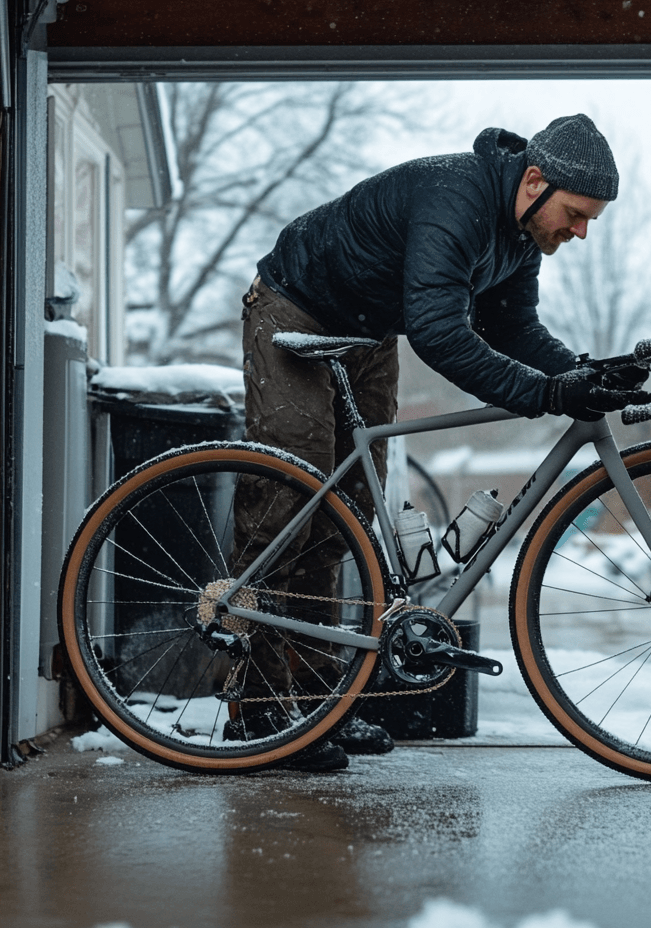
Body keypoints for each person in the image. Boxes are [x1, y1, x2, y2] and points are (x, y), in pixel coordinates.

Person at [226, 114, 625, 770]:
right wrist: (544, 396)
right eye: (577, 214)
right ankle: (259, 706)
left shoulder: (522, 237)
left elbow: (512, 326)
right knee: (291, 498)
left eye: (591, 221)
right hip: (294, 305)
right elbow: (440, 334)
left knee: (347, 518)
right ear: (533, 182)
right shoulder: (457, 199)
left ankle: (319, 701)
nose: (580, 232)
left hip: (369, 332)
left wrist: (576, 373)